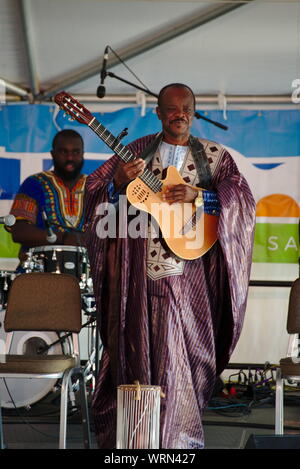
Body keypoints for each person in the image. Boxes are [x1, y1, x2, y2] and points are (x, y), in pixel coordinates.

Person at [84, 83, 256, 449]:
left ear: (194, 112)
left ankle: (178, 442)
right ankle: (136, 442)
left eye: (186, 108)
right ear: (159, 113)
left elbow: (242, 200)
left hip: (191, 279)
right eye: (171, 108)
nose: (180, 114)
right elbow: (96, 191)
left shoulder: (214, 156)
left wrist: (201, 194)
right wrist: (116, 183)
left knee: (185, 357)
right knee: (134, 351)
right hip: (136, 275)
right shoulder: (134, 151)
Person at [8, 129, 87, 258]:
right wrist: (64, 238)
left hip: (84, 271)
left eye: (75, 152)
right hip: (40, 270)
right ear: (52, 154)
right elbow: (19, 231)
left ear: (83, 154)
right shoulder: (33, 184)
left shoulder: (95, 187)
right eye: (63, 151)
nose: (70, 157)